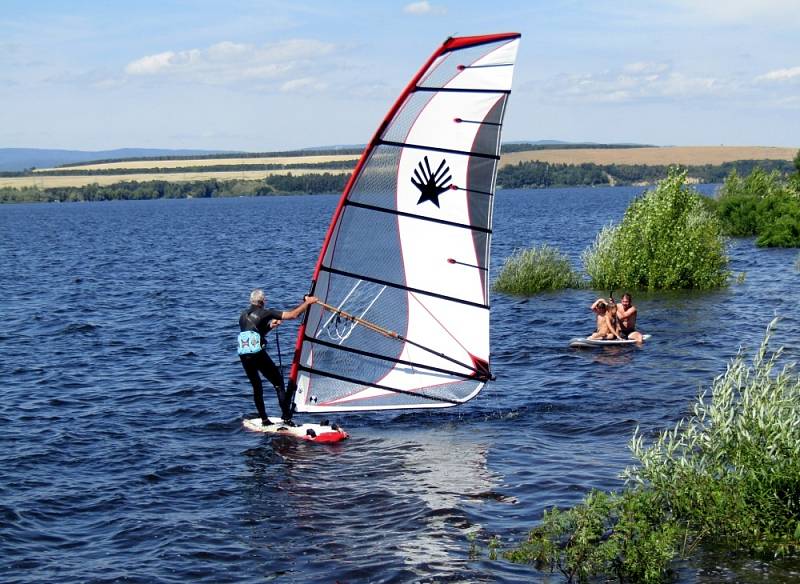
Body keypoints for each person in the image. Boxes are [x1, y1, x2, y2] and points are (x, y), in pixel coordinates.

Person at [238, 288, 318, 427]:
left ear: (251, 301)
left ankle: (264, 419)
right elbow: (293, 315)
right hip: (258, 354)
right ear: (263, 301)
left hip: (244, 355)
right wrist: (308, 303)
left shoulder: (243, 315)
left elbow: (255, 332)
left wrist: (270, 326)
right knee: (278, 382)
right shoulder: (266, 312)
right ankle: (286, 418)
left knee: (257, 387)